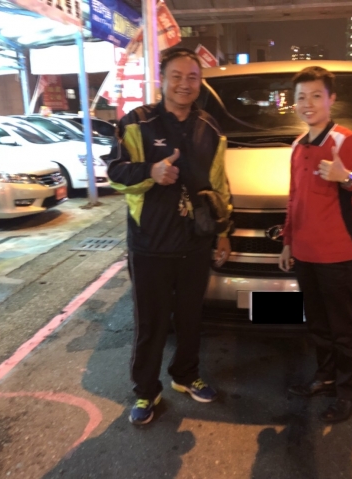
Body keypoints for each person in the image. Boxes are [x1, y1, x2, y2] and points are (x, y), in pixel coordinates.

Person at [107, 47, 232, 425]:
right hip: (150, 244)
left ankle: (186, 375)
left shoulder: (210, 128)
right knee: (152, 323)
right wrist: (151, 172)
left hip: (195, 242)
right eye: (176, 76)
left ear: (200, 83)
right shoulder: (136, 123)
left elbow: (220, 184)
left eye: (192, 77)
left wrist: (223, 232)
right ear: (162, 80)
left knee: (191, 318)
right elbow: (115, 173)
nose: (184, 84)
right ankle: (146, 391)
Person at [278, 66, 352, 423]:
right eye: (301, 97)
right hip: (305, 254)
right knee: (318, 326)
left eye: (316, 96)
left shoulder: (344, 141)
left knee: (343, 330)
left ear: (331, 99)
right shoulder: (297, 146)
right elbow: (294, 199)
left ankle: (348, 392)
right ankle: (325, 377)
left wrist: (346, 176)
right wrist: (288, 242)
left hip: (337, 255)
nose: (307, 104)